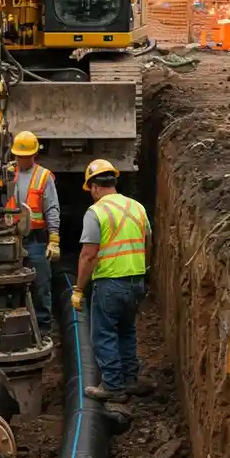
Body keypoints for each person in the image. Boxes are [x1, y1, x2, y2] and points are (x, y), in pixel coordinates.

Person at [72, 160, 151, 403]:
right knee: (127, 330)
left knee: (104, 334)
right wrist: (143, 269)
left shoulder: (96, 212)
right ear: (114, 182)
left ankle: (114, 387)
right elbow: (149, 240)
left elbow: (89, 254)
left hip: (110, 283)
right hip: (136, 281)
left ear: (94, 187)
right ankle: (130, 379)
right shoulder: (137, 207)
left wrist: (78, 288)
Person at [3, 131, 60, 338]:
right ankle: (11, 328)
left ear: (34, 155)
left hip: (35, 239)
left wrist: (54, 238)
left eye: (25, 156)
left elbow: (51, 208)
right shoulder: (7, 172)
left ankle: (43, 331)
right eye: (18, 155)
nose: (21, 159)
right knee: (7, 284)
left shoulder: (44, 177)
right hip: (8, 238)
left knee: (40, 285)